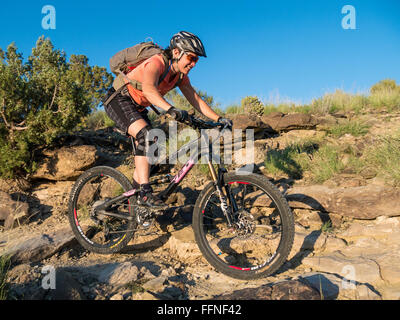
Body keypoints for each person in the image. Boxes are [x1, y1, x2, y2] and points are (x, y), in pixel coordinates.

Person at [103, 31, 232, 208]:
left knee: (153, 154)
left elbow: (195, 99)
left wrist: (219, 118)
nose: (193, 64)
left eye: (196, 60)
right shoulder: (156, 62)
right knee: (147, 136)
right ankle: (145, 194)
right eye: (191, 58)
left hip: (138, 108)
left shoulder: (180, 76)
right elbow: (149, 90)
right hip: (119, 99)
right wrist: (172, 110)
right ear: (177, 52)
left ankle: (132, 203)